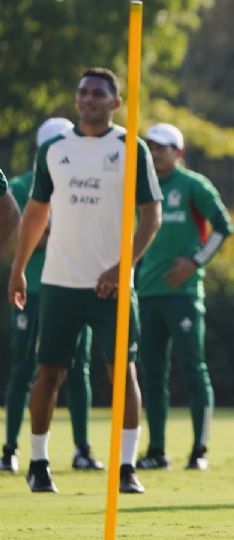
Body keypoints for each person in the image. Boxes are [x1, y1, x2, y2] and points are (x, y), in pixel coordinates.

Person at [7, 67, 163, 493]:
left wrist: (122, 265)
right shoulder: (54, 151)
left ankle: (126, 467)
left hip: (114, 285)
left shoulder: (132, 149)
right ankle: (38, 463)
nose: (88, 99)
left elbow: (152, 216)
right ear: (76, 101)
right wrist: (18, 268)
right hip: (59, 281)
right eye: (82, 93)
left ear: (115, 103)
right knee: (49, 372)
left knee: (122, 373)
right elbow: (36, 214)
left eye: (98, 93)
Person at [2, 118, 102, 474]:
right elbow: (13, 232)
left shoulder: (86, 180)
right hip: (35, 287)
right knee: (24, 367)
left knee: (78, 370)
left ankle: (82, 449)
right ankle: (10, 448)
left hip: (77, 285)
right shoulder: (20, 184)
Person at [135, 122, 233, 471]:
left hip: (184, 294)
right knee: (152, 374)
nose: (156, 152)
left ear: (178, 152)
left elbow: (223, 227)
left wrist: (194, 263)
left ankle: (199, 451)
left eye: (163, 146)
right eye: (151, 146)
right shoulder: (139, 187)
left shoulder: (193, 185)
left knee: (193, 370)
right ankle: (157, 451)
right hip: (146, 293)